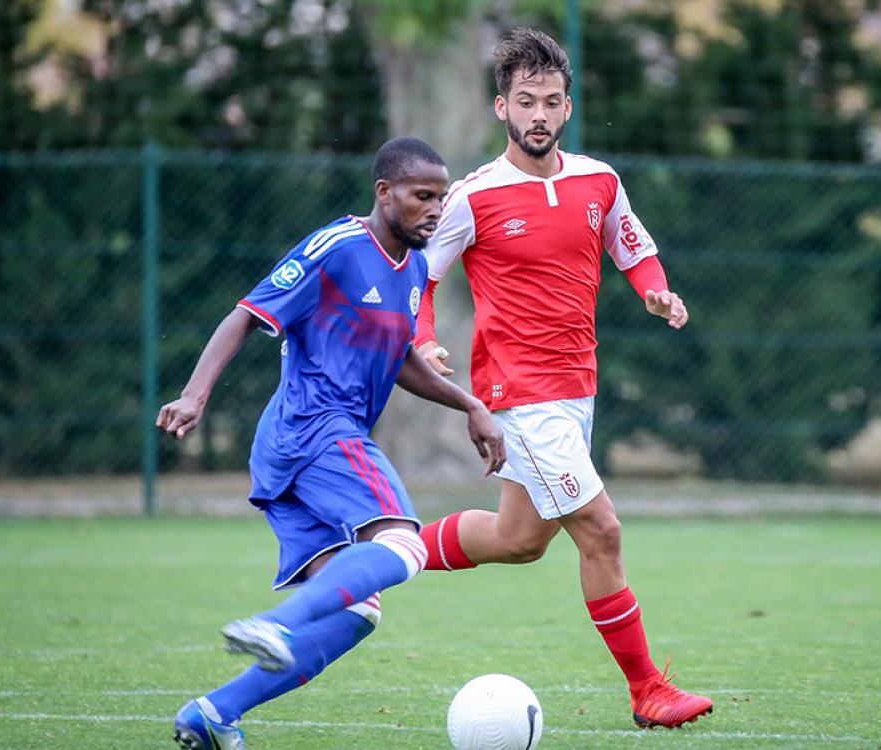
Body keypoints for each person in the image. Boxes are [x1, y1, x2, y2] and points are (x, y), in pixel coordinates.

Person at [156, 136, 505, 750]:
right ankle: (274, 624)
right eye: (422, 196)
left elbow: (400, 357)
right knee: (403, 543)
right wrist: (194, 395)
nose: (434, 209)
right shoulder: (338, 247)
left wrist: (470, 404)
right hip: (316, 427)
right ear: (385, 192)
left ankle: (212, 714)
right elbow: (246, 313)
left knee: (356, 613)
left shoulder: (413, 268)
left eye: (441, 198)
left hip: (298, 446)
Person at [414, 29, 713, 729]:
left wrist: (656, 291)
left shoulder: (598, 181)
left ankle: (375, 552)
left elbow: (632, 248)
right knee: (601, 531)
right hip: (518, 393)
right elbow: (419, 279)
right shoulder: (473, 197)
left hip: (577, 388)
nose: (539, 114)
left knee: (518, 539)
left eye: (551, 101)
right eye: (526, 101)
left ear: (568, 106)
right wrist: (423, 340)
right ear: (502, 108)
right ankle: (647, 690)